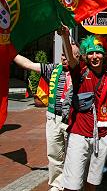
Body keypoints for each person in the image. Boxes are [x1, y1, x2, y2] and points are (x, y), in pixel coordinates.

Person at [13, 44, 80, 191]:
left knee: (74, 155)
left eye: (68, 54)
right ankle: (57, 184)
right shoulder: (53, 69)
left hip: (72, 120)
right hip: (53, 119)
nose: (64, 57)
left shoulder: (80, 72)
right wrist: (9, 52)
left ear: (77, 57)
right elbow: (28, 64)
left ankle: (72, 183)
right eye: (63, 54)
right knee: (54, 154)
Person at [60, 26, 107, 191]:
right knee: (72, 183)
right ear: (86, 55)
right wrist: (65, 36)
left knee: (93, 182)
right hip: (79, 135)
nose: (94, 56)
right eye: (90, 52)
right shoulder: (81, 71)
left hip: (102, 137)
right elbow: (70, 57)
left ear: (104, 55)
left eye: (98, 52)